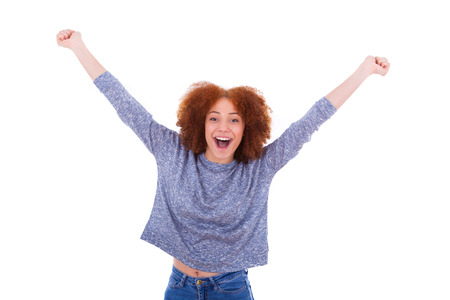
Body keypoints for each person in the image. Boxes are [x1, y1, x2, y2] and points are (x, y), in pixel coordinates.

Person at [56, 29, 390, 300]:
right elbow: (124, 103)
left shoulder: (261, 166)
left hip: (230, 289)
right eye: (214, 118)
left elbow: (312, 119)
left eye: (234, 120)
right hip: (180, 288)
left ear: (247, 128)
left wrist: (364, 71)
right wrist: (78, 47)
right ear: (200, 122)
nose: (223, 127)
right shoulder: (172, 151)